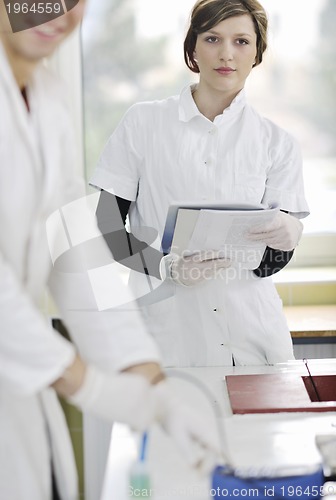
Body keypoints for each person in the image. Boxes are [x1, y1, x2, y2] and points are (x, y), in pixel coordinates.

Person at [0, 2, 220, 499]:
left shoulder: (48, 99)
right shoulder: (143, 122)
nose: (54, 10)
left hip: (20, 390)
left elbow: (75, 245)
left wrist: (151, 384)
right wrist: (88, 385)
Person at [90, 0, 310, 368]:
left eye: (241, 41)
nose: (227, 54)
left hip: (251, 334)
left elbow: (267, 263)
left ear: (257, 52)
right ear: (192, 47)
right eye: (212, 39)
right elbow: (108, 226)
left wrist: (290, 234)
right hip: (168, 334)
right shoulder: (144, 123)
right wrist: (167, 268)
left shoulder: (278, 142)